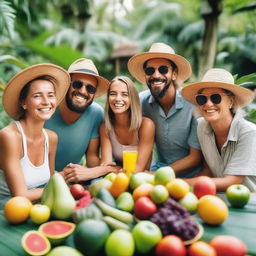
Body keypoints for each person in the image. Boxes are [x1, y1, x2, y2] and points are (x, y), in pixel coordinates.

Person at [0, 64, 70, 207]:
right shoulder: (10, 136)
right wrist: (62, 179)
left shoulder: (51, 138)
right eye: (37, 96)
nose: (46, 101)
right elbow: (20, 195)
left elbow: (49, 183)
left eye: (50, 95)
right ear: (24, 103)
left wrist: (63, 175)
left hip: (39, 206)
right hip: (7, 210)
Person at [127, 42, 202, 177]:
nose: (156, 75)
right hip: (156, 170)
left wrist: (156, 175)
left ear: (174, 74)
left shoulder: (193, 104)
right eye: (150, 70)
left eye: (163, 69)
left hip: (189, 176)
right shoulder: (141, 102)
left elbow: (195, 158)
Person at [45, 58, 120, 183]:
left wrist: (106, 169)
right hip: (37, 181)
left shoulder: (96, 114)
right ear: (67, 85)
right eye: (77, 84)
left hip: (70, 180)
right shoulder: (47, 107)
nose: (82, 91)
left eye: (90, 89)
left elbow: (91, 158)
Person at [181, 68, 256, 191]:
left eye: (216, 98)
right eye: (202, 99)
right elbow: (208, 170)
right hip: (218, 198)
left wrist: (181, 183)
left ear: (230, 101)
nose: (208, 104)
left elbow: (232, 181)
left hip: (249, 203)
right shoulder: (201, 127)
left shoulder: (249, 132)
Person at [100, 76, 155, 172]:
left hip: (142, 179)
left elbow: (138, 169)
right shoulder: (105, 128)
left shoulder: (146, 125)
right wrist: (110, 169)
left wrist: (112, 169)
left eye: (124, 94)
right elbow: (105, 166)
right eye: (113, 94)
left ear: (132, 99)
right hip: (119, 177)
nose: (118, 99)